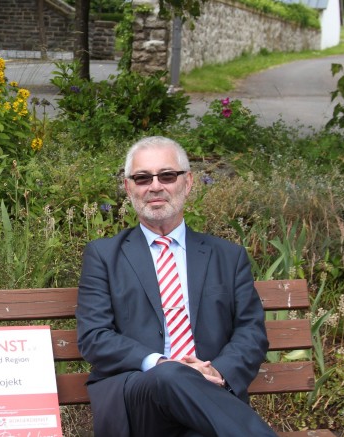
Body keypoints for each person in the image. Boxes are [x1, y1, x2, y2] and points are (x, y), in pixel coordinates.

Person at [76, 136, 277, 436]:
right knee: (171, 374)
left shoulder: (227, 256)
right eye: (142, 178)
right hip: (137, 397)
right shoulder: (104, 256)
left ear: (188, 182)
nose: (155, 186)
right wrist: (161, 363)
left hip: (209, 394)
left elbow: (251, 332)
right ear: (129, 187)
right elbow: (94, 337)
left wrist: (216, 371)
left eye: (167, 175)